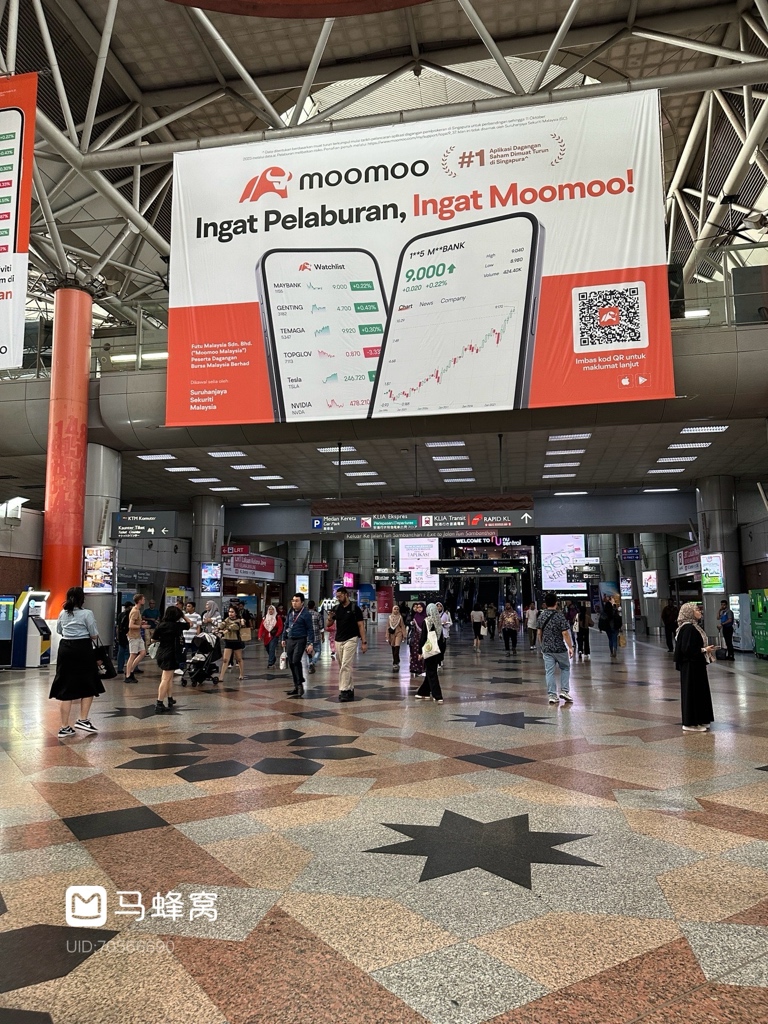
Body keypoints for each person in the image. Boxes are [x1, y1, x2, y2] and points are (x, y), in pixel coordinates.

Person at [50, 587, 104, 737]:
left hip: (65, 648)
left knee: (65, 686)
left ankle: (64, 727)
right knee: (89, 682)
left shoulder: (63, 613)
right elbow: (94, 634)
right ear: (82, 599)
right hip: (82, 648)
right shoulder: (87, 613)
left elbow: (59, 631)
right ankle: (83, 719)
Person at [674, 602, 715, 732]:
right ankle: (690, 723)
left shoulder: (691, 627)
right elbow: (687, 649)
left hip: (695, 665)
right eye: (697, 610)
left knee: (699, 692)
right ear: (689, 612)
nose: (699, 612)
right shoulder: (688, 628)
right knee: (693, 692)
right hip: (691, 666)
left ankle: (701, 719)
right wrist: (704, 650)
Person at [327, 587, 365, 702]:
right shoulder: (336, 608)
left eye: (340, 596)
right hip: (339, 639)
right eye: (337, 597)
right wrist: (330, 617)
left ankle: (344, 691)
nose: (338, 598)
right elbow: (328, 624)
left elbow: (361, 626)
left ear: (346, 595)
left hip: (351, 638)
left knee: (345, 665)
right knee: (342, 666)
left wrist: (364, 642)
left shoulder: (355, 608)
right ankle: (350, 688)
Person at [537, 592, 574, 705]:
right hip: (559, 648)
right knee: (565, 667)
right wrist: (570, 647)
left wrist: (542, 645)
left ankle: (552, 695)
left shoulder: (541, 616)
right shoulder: (559, 616)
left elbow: (539, 633)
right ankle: (564, 691)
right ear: (556, 603)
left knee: (549, 672)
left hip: (547, 649)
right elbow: (565, 633)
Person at [152, 605, 185, 713]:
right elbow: (190, 624)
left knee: (168, 677)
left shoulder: (160, 625)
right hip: (171, 654)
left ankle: (170, 698)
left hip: (161, 652)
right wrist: (183, 615)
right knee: (165, 679)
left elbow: (153, 639)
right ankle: (159, 703)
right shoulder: (177, 626)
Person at [281, 593, 314, 697]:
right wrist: (283, 638)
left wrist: (310, 643)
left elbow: (310, 629)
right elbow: (286, 625)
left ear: (302, 602)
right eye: (293, 601)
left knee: (296, 660)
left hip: (300, 639)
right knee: (291, 662)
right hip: (290, 639)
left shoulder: (306, 614)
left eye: (296, 601)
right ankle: (296, 685)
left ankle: (300, 685)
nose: (294, 603)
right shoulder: (290, 612)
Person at [415, 603, 445, 703]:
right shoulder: (438, 621)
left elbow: (423, 638)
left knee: (432, 673)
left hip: (430, 650)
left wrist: (420, 651)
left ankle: (438, 695)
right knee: (430, 671)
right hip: (438, 650)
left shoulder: (427, 621)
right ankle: (423, 692)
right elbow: (442, 639)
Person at [124, 593, 147, 683]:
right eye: (143, 599)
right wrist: (141, 626)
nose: (144, 600)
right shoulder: (135, 611)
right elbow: (131, 625)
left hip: (138, 635)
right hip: (133, 636)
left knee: (143, 653)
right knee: (133, 655)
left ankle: (131, 670)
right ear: (139, 601)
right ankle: (128, 674)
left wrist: (141, 623)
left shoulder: (137, 610)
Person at [219, 605, 246, 681]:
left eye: (232, 612)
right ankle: (221, 676)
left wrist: (226, 629)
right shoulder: (227, 619)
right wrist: (218, 628)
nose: (230, 613)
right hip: (228, 641)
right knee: (225, 659)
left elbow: (235, 626)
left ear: (236, 613)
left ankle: (241, 674)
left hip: (237, 642)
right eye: (229, 612)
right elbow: (222, 625)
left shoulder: (239, 620)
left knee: (239, 659)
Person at [178, 601, 201, 677]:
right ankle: (182, 667)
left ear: (193, 608)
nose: (187, 608)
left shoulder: (197, 616)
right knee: (183, 653)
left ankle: (195, 667)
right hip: (185, 638)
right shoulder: (185, 616)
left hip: (193, 638)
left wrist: (197, 636)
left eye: (189, 606)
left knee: (194, 653)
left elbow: (198, 627)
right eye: (187, 606)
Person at [258, 604, 283, 668]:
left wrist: (277, 634)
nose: (271, 610)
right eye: (269, 609)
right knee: (268, 649)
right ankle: (273, 658)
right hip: (266, 637)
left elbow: (280, 627)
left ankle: (270, 663)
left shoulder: (277, 617)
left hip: (274, 636)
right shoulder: (265, 618)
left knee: (272, 648)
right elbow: (261, 627)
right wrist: (259, 636)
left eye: (272, 609)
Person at [304, 599, 324, 675]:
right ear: (314, 606)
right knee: (318, 651)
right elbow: (321, 627)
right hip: (316, 636)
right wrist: (322, 636)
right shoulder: (318, 614)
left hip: (307, 636)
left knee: (308, 651)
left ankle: (310, 665)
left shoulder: (305, 615)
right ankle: (312, 662)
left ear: (307, 606)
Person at [386, 605, 407, 671]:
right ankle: (396, 659)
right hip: (392, 634)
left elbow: (402, 626)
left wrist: (404, 635)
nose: (396, 610)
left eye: (397, 609)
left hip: (399, 633)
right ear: (392, 610)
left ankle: (395, 662)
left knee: (397, 647)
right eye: (395, 609)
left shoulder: (400, 617)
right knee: (393, 647)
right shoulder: (389, 617)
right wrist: (387, 636)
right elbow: (387, 627)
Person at [408, 601, 427, 673]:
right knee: (415, 651)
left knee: (424, 651)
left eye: (420, 607)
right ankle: (415, 667)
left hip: (425, 637)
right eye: (418, 607)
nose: (419, 609)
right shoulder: (415, 616)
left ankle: (423, 667)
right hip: (416, 637)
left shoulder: (426, 617)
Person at [116, 600, 132, 675]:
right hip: (129, 635)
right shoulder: (130, 615)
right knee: (131, 653)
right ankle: (130, 669)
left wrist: (117, 636)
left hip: (121, 635)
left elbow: (118, 626)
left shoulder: (120, 615)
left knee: (121, 652)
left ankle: (120, 668)